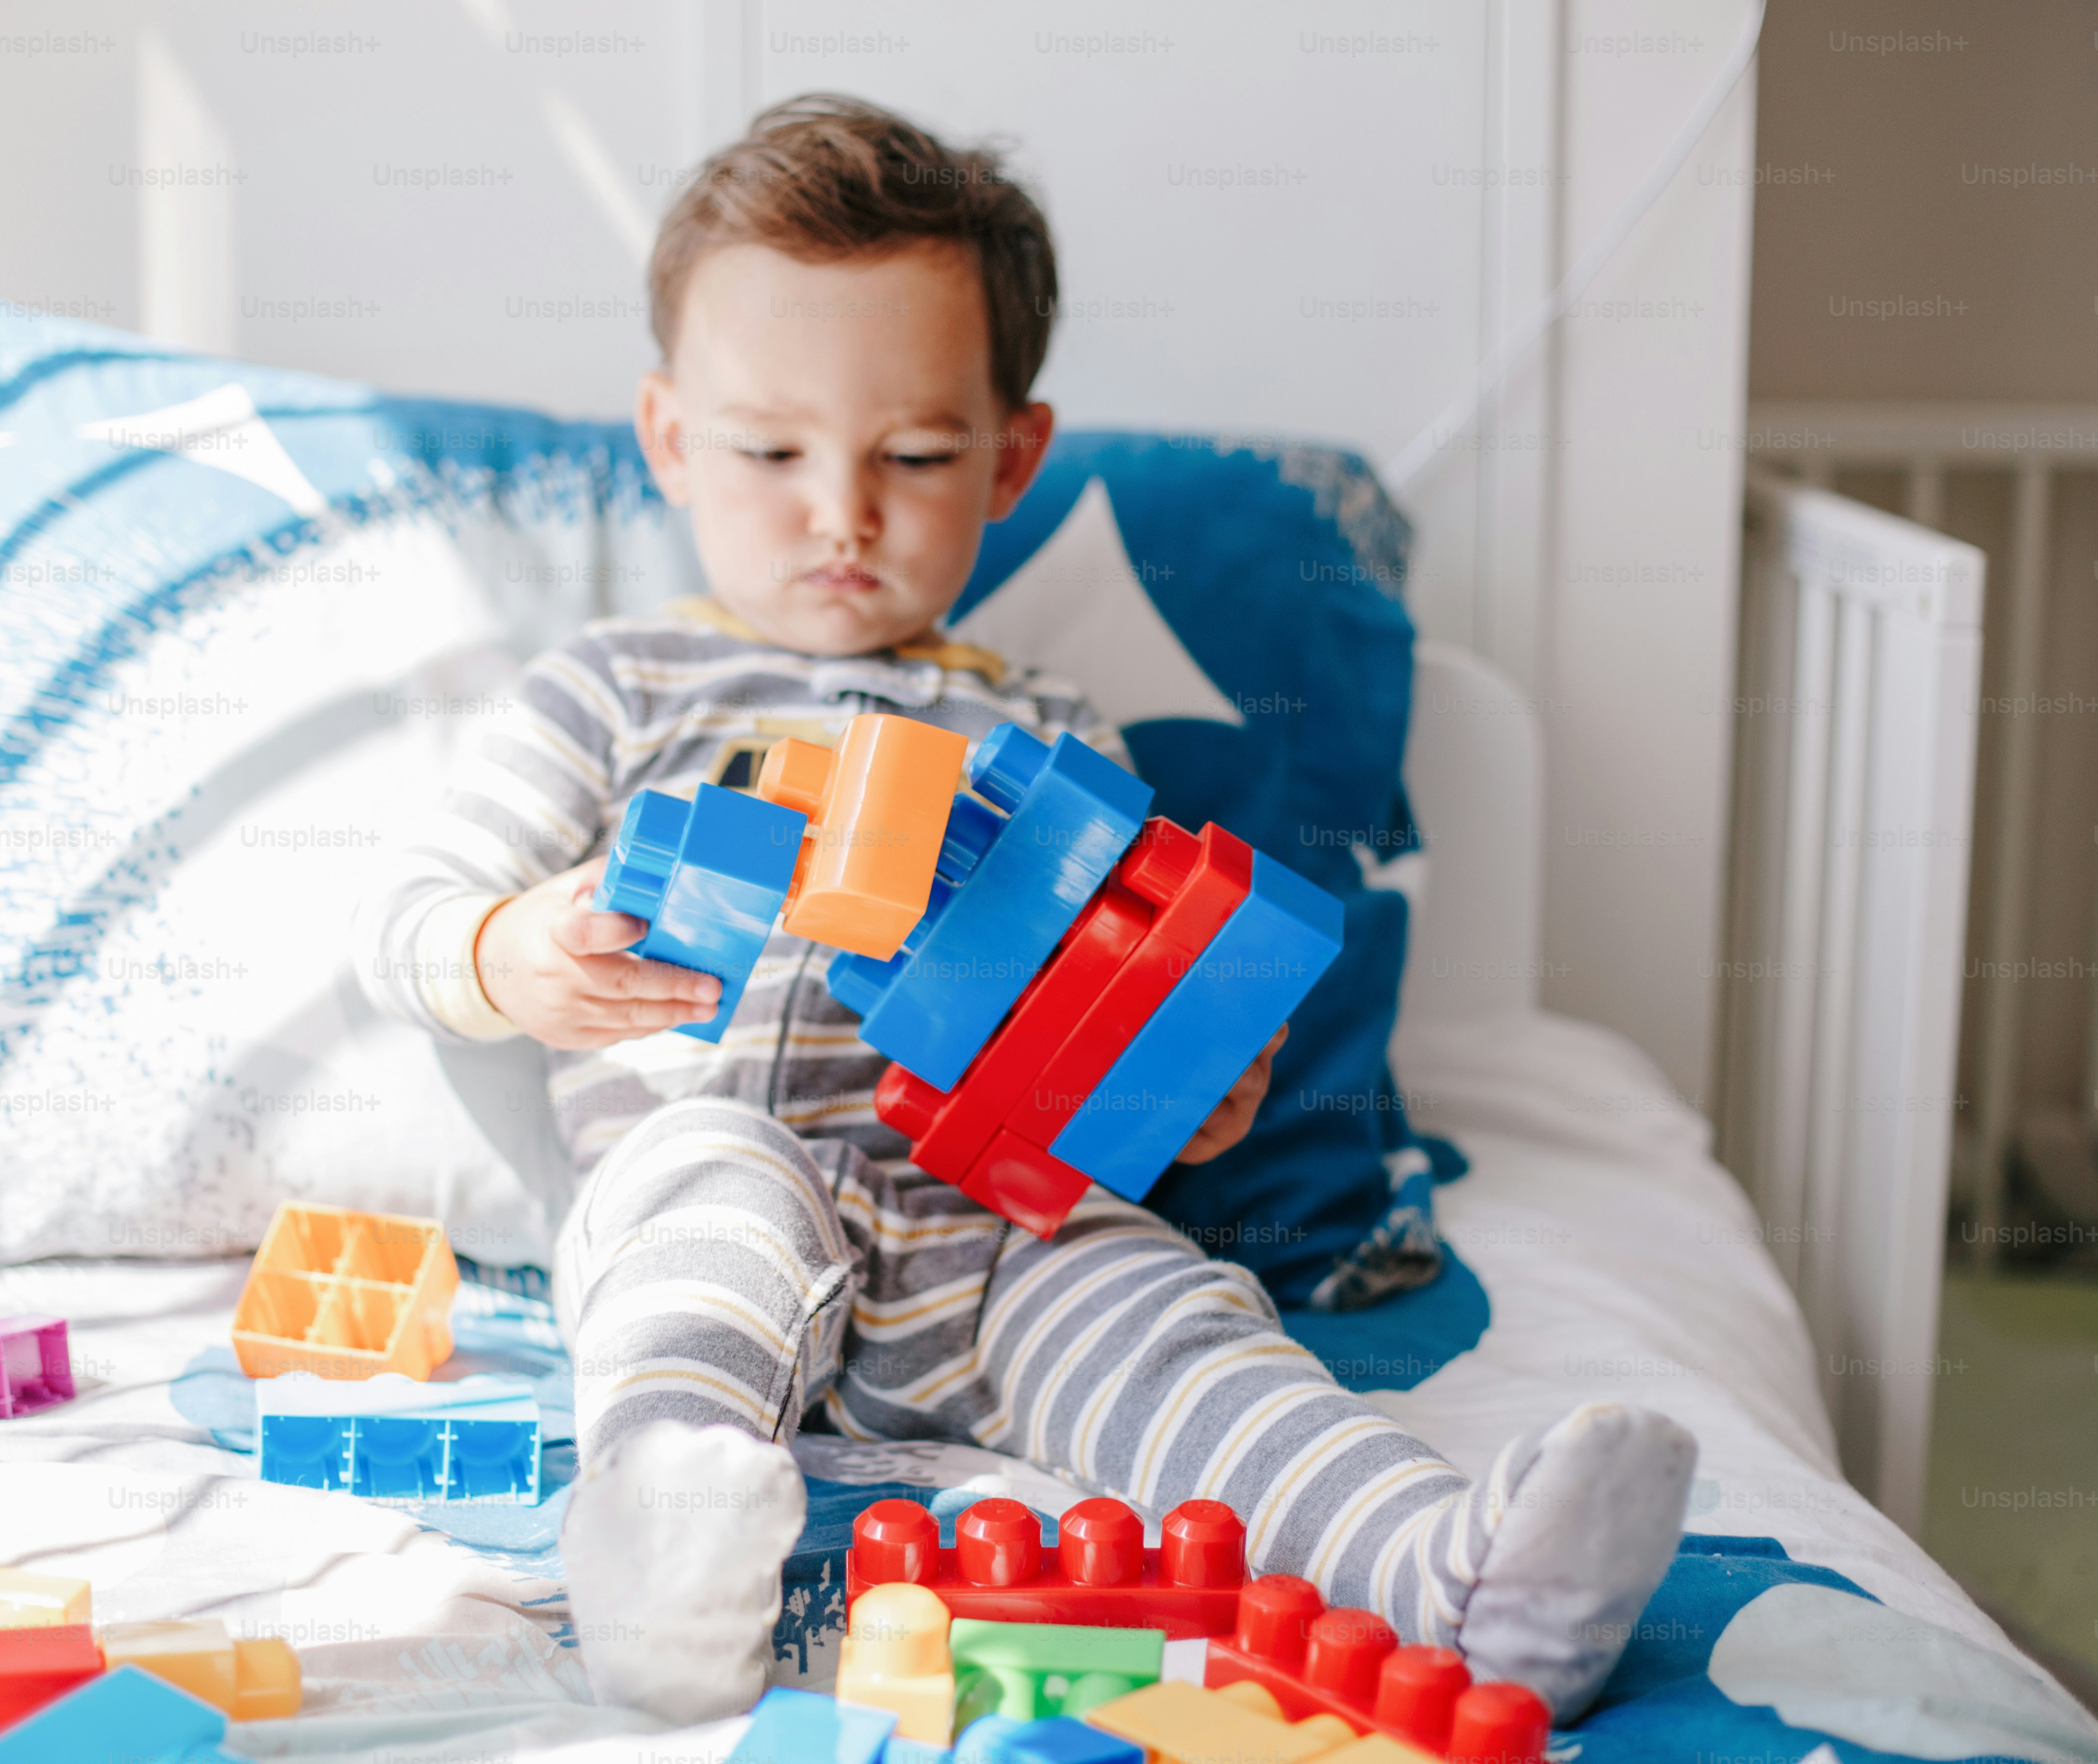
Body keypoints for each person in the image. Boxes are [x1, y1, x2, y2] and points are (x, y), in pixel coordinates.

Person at [357, 93, 1693, 1727]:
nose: (839, 513)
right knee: (706, 1188)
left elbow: (1111, 1026)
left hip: (991, 1229)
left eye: (912, 457)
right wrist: (511, 952)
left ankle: (1457, 1577)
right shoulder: (616, 685)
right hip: (717, 1186)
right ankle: (662, 1541)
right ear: (665, 437)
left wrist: (1189, 1094)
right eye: (771, 451)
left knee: (1177, 1313)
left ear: (1010, 461)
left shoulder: (1050, 732)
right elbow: (407, 925)